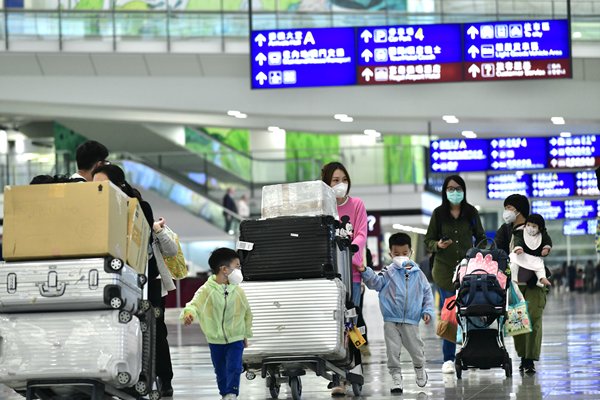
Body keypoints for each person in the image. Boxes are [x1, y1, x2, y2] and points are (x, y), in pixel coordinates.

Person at [92, 164, 178, 397]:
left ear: (119, 185)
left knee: (156, 331)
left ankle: (164, 378)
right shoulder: (98, 207)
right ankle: (129, 376)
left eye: (103, 184)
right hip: (119, 278)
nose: (98, 188)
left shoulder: (139, 207)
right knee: (124, 330)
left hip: (148, 281)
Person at [424, 174, 486, 374]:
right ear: (445, 191)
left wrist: (481, 255)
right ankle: (448, 359)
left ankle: (473, 353)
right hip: (444, 273)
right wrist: (438, 245)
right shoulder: (438, 214)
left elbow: (482, 238)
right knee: (450, 314)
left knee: (472, 312)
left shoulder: (471, 212)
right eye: (450, 189)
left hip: (469, 272)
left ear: (464, 190)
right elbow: (428, 241)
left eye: (458, 188)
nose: (454, 192)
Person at [357, 233, 433, 394]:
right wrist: (365, 271)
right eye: (396, 253)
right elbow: (376, 284)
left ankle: (419, 368)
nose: (401, 256)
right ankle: (396, 378)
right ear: (390, 254)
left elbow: (427, 292)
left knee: (416, 349)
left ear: (411, 252)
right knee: (392, 351)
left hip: (411, 320)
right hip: (391, 319)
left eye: (404, 253)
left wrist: (427, 310)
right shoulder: (388, 272)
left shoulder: (418, 273)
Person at [321, 161, 367, 396]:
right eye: (335, 180)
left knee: (352, 323)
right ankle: (338, 376)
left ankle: (355, 368)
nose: (341, 184)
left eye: (344, 179)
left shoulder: (357, 204)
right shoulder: (322, 207)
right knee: (333, 325)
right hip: (329, 277)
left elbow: (361, 233)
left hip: (353, 274)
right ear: (326, 184)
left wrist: (351, 251)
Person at [181, 248, 253, 400]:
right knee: (220, 369)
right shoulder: (206, 290)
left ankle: (232, 393)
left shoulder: (238, 291)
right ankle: (224, 393)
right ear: (224, 269)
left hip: (236, 337)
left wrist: (245, 334)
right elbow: (194, 305)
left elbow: (247, 313)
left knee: (234, 366)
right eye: (237, 266)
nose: (239, 270)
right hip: (215, 340)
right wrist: (189, 314)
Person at [495, 193, 546, 375]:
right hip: (515, 283)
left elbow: (543, 247)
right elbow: (498, 252)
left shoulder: (534, 227)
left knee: (533, 318)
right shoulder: (505, 230)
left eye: (509, 208)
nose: (506, 212)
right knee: (517, 322)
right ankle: (523, 356)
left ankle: (529, 359)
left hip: (534, 283)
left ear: (519, 210)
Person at [510, 213, 552, 287]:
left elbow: (547, 241)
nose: (530, 228)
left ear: (540, 228)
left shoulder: (543, 235)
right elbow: (518, 240)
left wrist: (546, 249)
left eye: (534, 226)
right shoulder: (520, 232)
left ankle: (542, 278)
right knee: (514, 261)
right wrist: (518, 247)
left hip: (534, 258)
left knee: (540, 265)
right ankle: (514, 279)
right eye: (528, 225)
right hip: (522, 255)